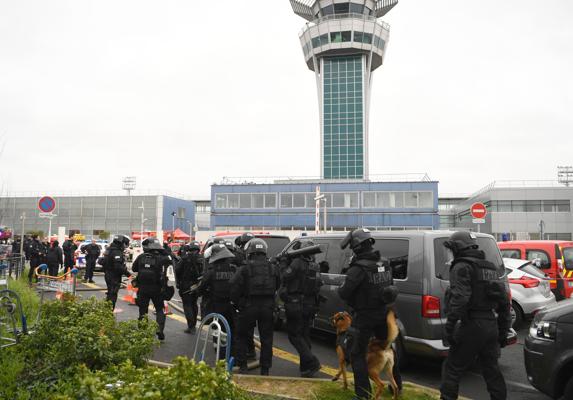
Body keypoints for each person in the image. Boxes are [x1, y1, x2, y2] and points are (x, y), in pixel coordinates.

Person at [440, 231, 512, 400]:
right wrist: (503, 330)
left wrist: (449, 328)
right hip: (490, 324)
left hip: (471, 325)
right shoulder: (489, 267)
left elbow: (460, 298)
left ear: (458, 248)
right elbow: (504, 301)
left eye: (451, 249)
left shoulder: (461, 267)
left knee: (452, 368)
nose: (450, 253)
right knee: (492, 371)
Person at [337, 228, 401, 400]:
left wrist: (341, 286)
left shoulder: (358, 268)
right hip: (383, 313)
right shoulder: (385, 263)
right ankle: (397, 387)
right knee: (386, 347)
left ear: (356, 247)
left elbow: (344, 293)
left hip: (364, 317)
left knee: (357, 354)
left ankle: (363, 395)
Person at [230, 238, 279, 376]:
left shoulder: (244, 268)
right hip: (268, 307)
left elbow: (234, 287)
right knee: (266, 339)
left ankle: (243, 365)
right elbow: (278, 285)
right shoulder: (273, 268)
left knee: (242, 335)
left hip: (248, 306)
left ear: (250, 251)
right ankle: (265, 369)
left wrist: (237, 303)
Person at [279, 239, 323, 377]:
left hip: (296, 303)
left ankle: (311, 361)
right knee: (304, 335)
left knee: (294, 335)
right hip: (309, 305)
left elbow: (284, 276)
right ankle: (306, 368)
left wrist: (283, 262)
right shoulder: (315, 266)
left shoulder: (297, 263)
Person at [196, 243, 237, 356]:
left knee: (218, 330)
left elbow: (201, 289)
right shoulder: (234, 269)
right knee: (232, 330)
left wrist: (201, 291)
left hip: (217, 306)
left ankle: (221, 356)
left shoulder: (211, 271)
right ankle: (233, 355)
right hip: (233, 306)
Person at [132, 237, 172, 341]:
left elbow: (134, 268)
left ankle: (142, 332)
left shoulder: (141, 257)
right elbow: (171, 260)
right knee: (160, 309)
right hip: (157, 289)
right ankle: (160, 331)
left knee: (143, 310)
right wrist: (164, 250)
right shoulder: (162, 258)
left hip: (143, 288)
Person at [174, 241, 203, 334]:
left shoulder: (185, 258)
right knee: (194, 304)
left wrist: (178, 282)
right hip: (198, 285)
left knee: (187, 305)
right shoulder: (202, 258)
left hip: (186, 286)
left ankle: (191, 326)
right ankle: (193, 324)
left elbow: (177, 270)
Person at [102, 235, 131, 310]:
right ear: (121, 243)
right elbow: (118, 267)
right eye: (125, 244)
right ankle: (109, 313)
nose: (125, 246)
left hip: (108, 274)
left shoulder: (109, 249)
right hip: (114, 276)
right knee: (113, 295)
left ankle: (106, 312)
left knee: (110, 293)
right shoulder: (116, 252)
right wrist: (128, 274)